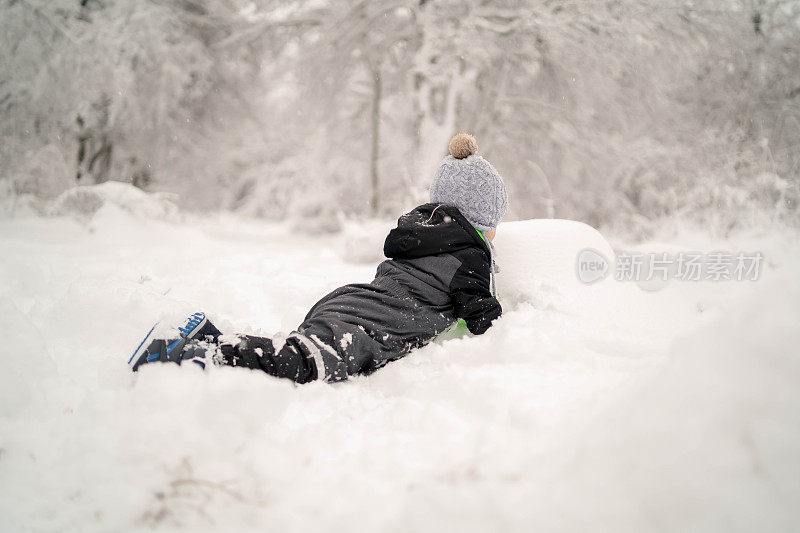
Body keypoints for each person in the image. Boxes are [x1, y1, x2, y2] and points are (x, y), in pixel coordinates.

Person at [128, 133, 508, 383]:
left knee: (296, 349)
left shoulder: (419, 233)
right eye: (494, 222)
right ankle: (191, 355)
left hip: (352, 300)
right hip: (373, 325)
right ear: (479, 219)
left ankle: (208, 335)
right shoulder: (470, 255)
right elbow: (481, 316)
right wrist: (508, 320)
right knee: (303, 364)